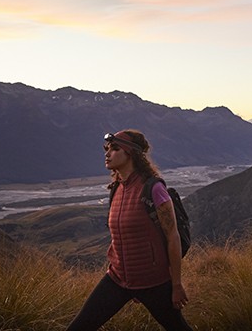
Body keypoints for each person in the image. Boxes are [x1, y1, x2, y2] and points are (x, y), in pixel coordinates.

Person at [67, 130, 193, 331]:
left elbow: (173, 237)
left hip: (153, 282)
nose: (107, 154)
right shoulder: (116, 189)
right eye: (107, 149)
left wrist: (176, 285)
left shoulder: (153, 188)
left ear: (131, 154)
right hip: (118, 279)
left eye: (115, 149)